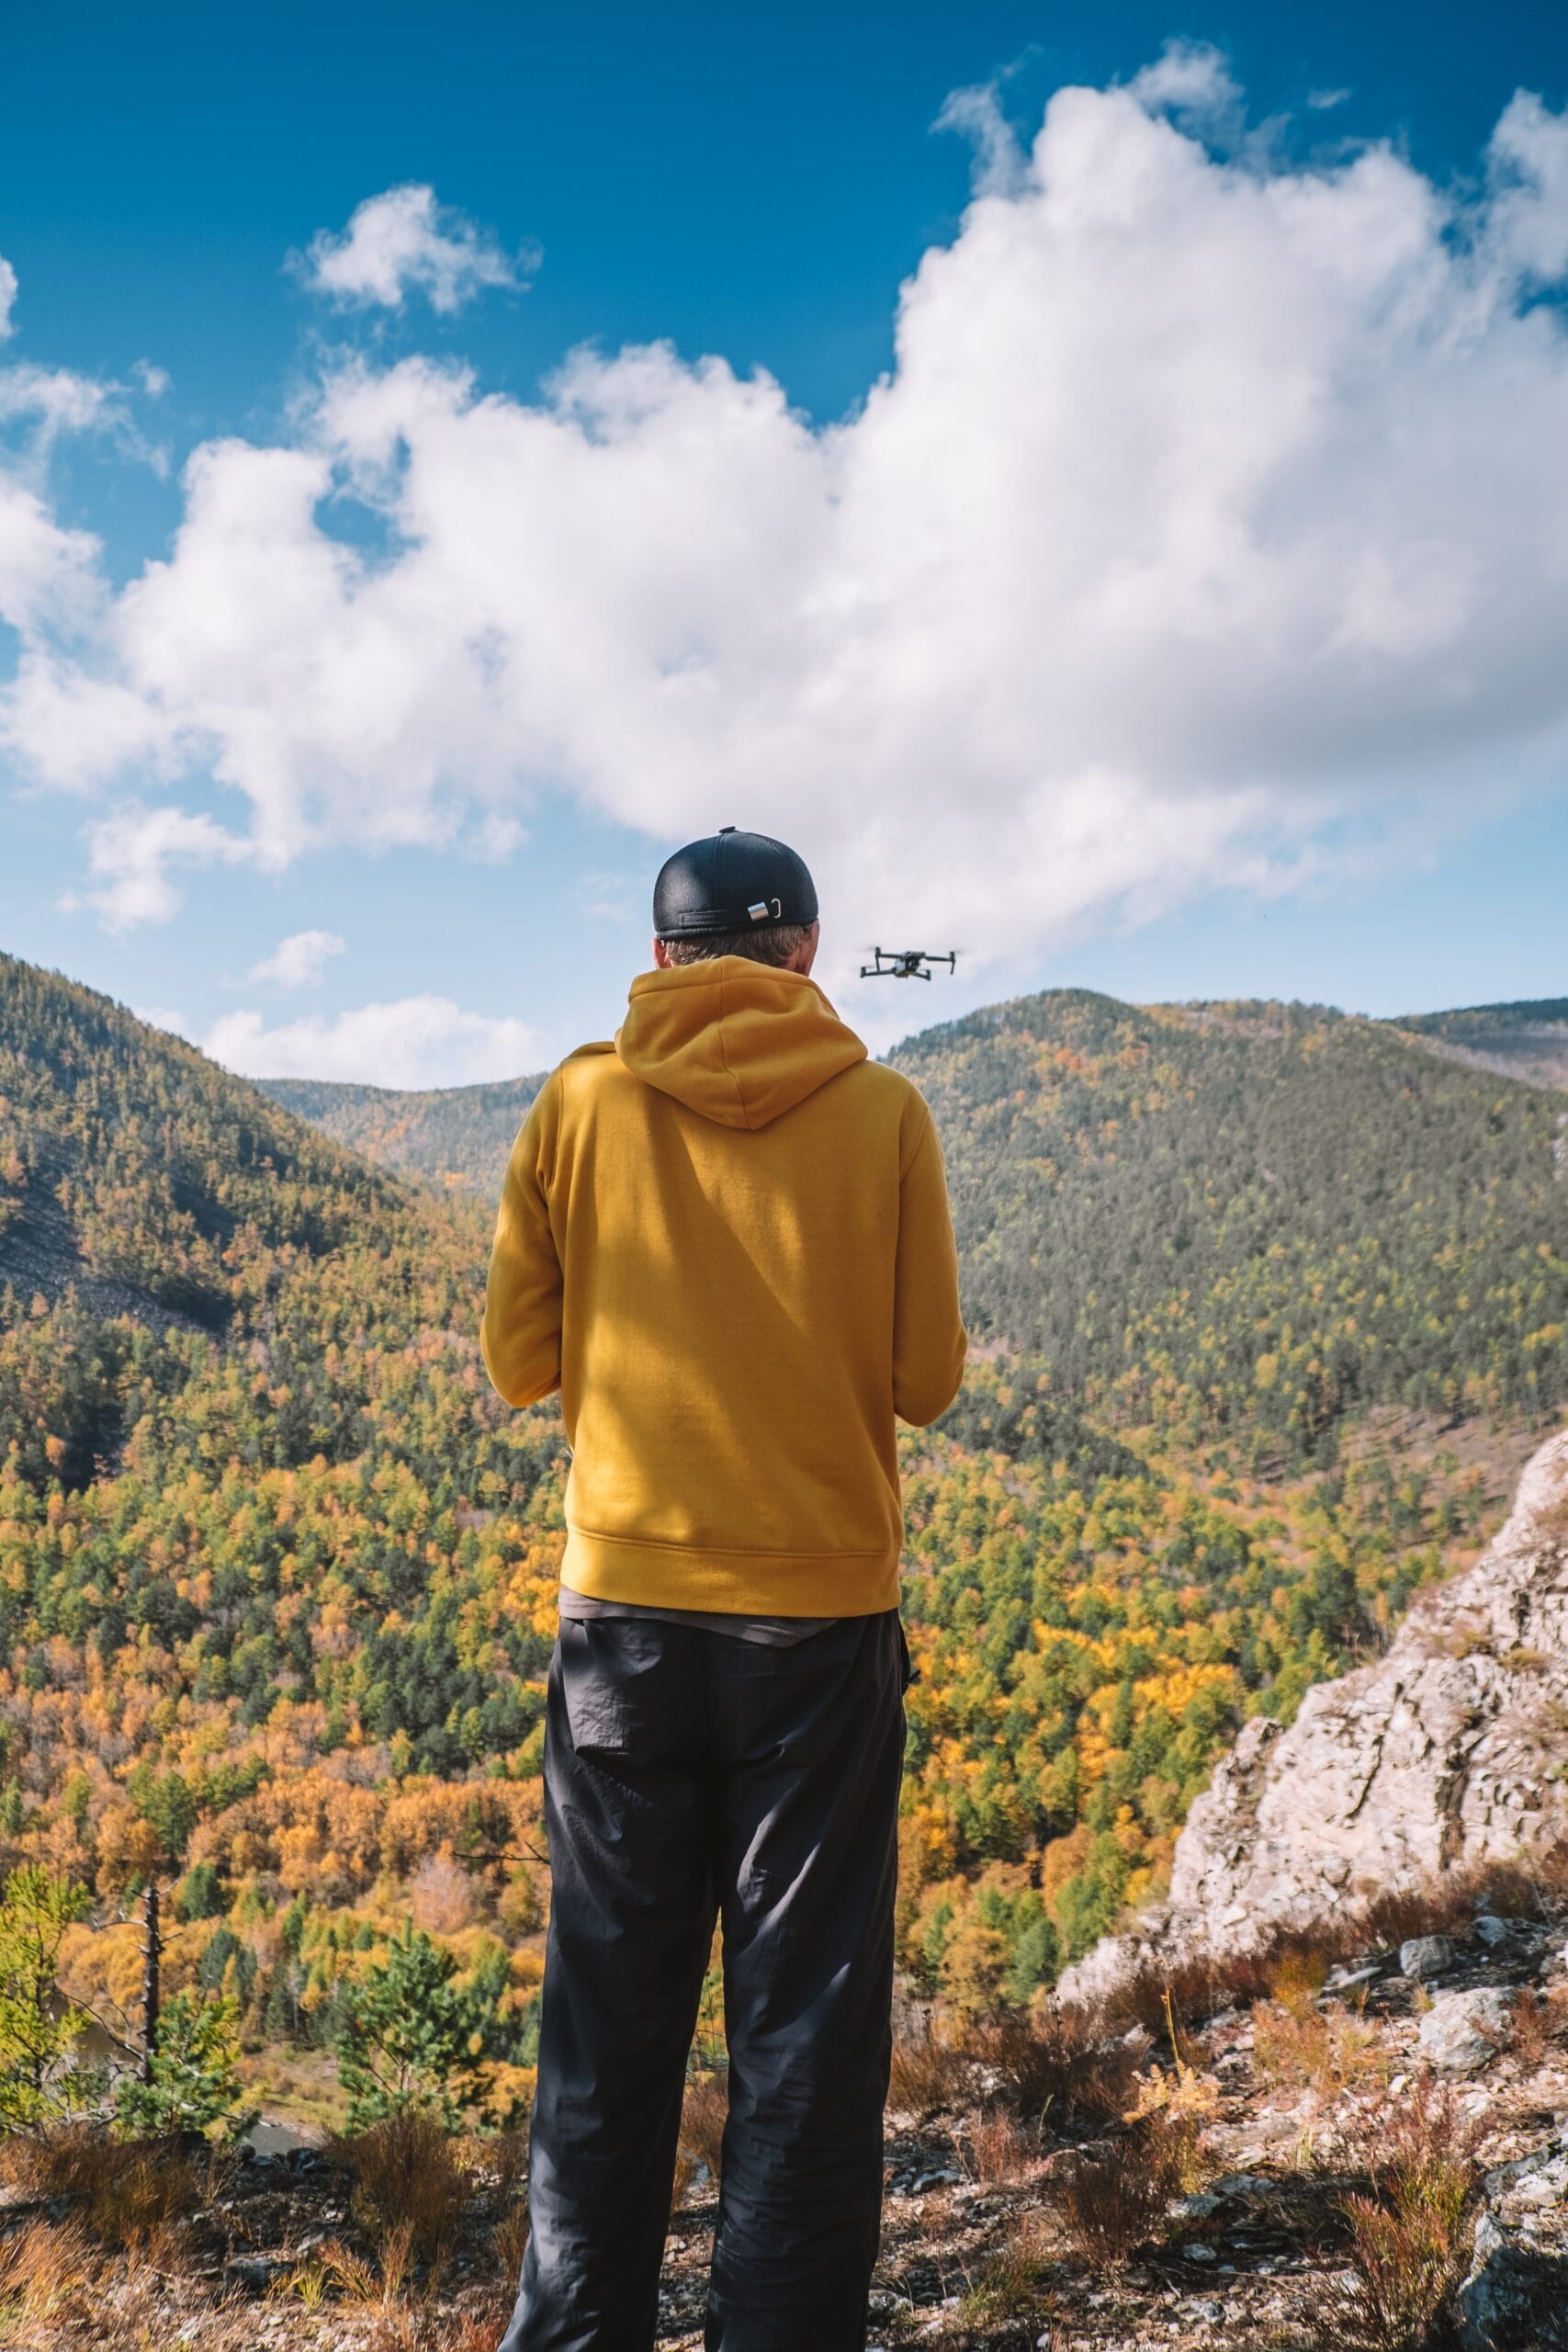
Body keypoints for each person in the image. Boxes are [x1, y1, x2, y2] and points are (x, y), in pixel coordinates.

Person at [481, 827, 966, 2352]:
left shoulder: (581, 1100)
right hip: (818, 1629)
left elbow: (518, 1362)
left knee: (607, 2027)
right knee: (807, 2036)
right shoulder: (885, 1112)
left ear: (660, 958)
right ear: (807, 951)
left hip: (623, 1623)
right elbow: (928, 1382)